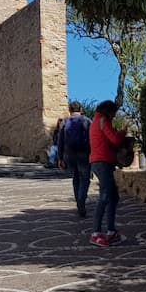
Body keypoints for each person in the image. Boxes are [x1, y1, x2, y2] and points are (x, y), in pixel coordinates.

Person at [89, 99, 127, 247]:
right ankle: (96, 233)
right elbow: (114, 140)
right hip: (102, 162)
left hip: (99, 161)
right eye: (113, 113)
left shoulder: (95, 121)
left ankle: (111, 231)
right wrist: (123, 133)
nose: (114, 116)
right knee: (104, 197)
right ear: (109, 111)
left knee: (113, 197)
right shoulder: (103, 121)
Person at [57, 101, 92, 217]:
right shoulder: (87, 121)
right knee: (85, 178)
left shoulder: (65, 122)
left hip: (69, 155)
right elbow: (92, 139)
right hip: (84, 154)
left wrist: (60, 158)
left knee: (75, 178)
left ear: (70, 110)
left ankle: (78, 202)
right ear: (81, 109)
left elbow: (60, 141)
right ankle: (82, 199)